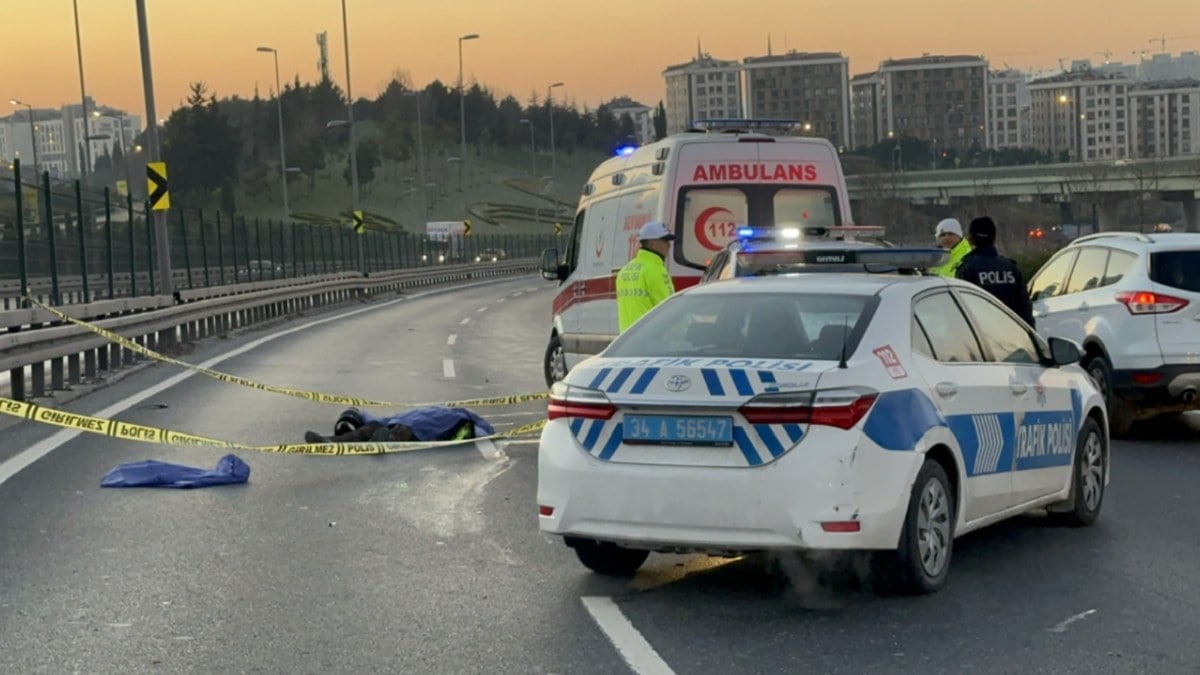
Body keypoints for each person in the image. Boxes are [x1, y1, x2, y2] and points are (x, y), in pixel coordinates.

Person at [955, 216, 1036, 327]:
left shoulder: (967, 269)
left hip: (982, 335)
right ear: (994, 239)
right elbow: (1025, 309)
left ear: (970, 240)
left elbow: (963, 311)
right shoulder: (1011, 268)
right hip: (1013, 334)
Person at [304, 406, 494, 444]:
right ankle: (330, 441)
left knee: (379, 429)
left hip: (409, 427)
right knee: (370, 429)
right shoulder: (456, 416)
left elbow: (482, 431)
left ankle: (334, 440)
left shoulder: (458, 417)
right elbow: (484, 430)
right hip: (403, 424)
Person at [616, 221, 677, 332]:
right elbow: (669, 309)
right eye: (665, 240)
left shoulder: (624, 271)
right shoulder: (656, 270)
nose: (669, 244)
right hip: (650, 339)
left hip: (626, 340)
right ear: (651, 243)